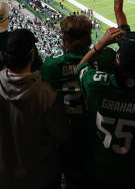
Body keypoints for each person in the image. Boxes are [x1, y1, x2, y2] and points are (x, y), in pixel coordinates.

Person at [0, 29, 70, 189]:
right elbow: (62, 134)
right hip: (41, 178)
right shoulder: (46, 93)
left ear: (4, 56)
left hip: (1, 176)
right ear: (32, 56)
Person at [77, 27, 135, 188]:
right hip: (133, 172)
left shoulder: (96, 84)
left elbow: (81, 67)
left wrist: (100, 45)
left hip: (100, 169)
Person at [41, 14, 115, 188]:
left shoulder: (52, 65)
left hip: (69, 136)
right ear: (88, 36)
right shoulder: (105, 57)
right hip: (99, 134)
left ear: (65, 38)